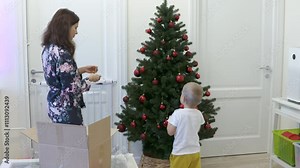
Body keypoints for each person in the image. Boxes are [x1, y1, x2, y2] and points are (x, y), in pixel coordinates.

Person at [41, 8, 100, 125]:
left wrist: (82, 70)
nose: (76, 32)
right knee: (73, 142)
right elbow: (72, 88)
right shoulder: (63, 54)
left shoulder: (48, 49)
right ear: (65, 28)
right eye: (75, 28)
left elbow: (60, 76)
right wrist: (90, 80)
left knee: (60, 142)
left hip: (54, 106)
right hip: (66, 110)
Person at [167, 82, 205, 168]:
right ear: (199, 102)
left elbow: (170, 132)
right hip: (195, 151)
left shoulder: (177, 114)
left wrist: (170, 121)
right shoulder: (199, 114)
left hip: (180, 152)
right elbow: (197, 129)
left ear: (183, 98)